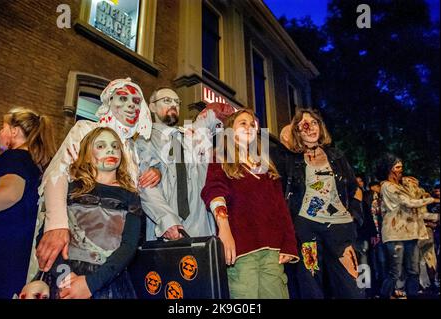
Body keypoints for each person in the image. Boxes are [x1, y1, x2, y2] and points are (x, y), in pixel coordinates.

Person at [31, 78, 159, 281]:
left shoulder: (133, 150)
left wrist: (155, 173)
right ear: (109, 102)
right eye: (123, 98)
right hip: (73, 247)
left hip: (112, 258)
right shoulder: (85, 130)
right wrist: (57, 224)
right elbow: (57, 174)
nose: (130, 106)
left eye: (136, 101)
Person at [201, 109, 299, 299]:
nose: (249, 127)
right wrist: (224, 228)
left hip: (273, 250)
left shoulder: (267, 167)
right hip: (241, 249)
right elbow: (214, 192)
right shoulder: (221, 159)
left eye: (253, 124)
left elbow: (281, 210)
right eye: (242, 123)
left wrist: (289, 244)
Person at [44, 127, 142, 299]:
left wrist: (91, 284)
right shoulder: (69, 189)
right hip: (64, 277)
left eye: (115, 146)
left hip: (107, 280)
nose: (110, 150)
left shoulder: (131, 195)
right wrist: (64, 278)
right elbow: (48, 237)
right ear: (87, 155)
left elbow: (129, 246)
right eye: (101, 146)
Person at [284, 108, 364, 299]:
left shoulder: (336, 156)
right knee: (310, 284)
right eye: (304, 125)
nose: (310, 127)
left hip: (340, 228)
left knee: (354, 286)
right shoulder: (291, 160)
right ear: (297, 131)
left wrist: (354, 214)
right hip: (307, 229)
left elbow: (356, 189)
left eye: (314, 123)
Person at [136, 89, 232, 240]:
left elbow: (214, 122)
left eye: (177, 102)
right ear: (152, 107)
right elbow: (146, 185)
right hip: (167, 232)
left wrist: (213, 112)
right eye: (167, 100)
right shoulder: (144, 140)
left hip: (202, 229)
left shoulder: (190, 138)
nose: (173, 105)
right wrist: (167, 221)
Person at [0, 107, 56, 299]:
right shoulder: (34, 163)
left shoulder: (14, 157)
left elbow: (10, 194)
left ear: (15, 131)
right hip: (16, 254)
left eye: (3, 128)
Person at [376, 154, 439, 299]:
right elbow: (408, 202)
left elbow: (416, 209)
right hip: (394, 235)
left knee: (414, 270)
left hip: (411, 233)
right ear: (389, 169)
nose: (401, 170)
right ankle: (384, 295)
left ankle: (412, 295)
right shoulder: (387, 186)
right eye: (397, 167)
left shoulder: (400, 186)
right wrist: (433, 199)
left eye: (401, 167)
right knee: (395, 272)